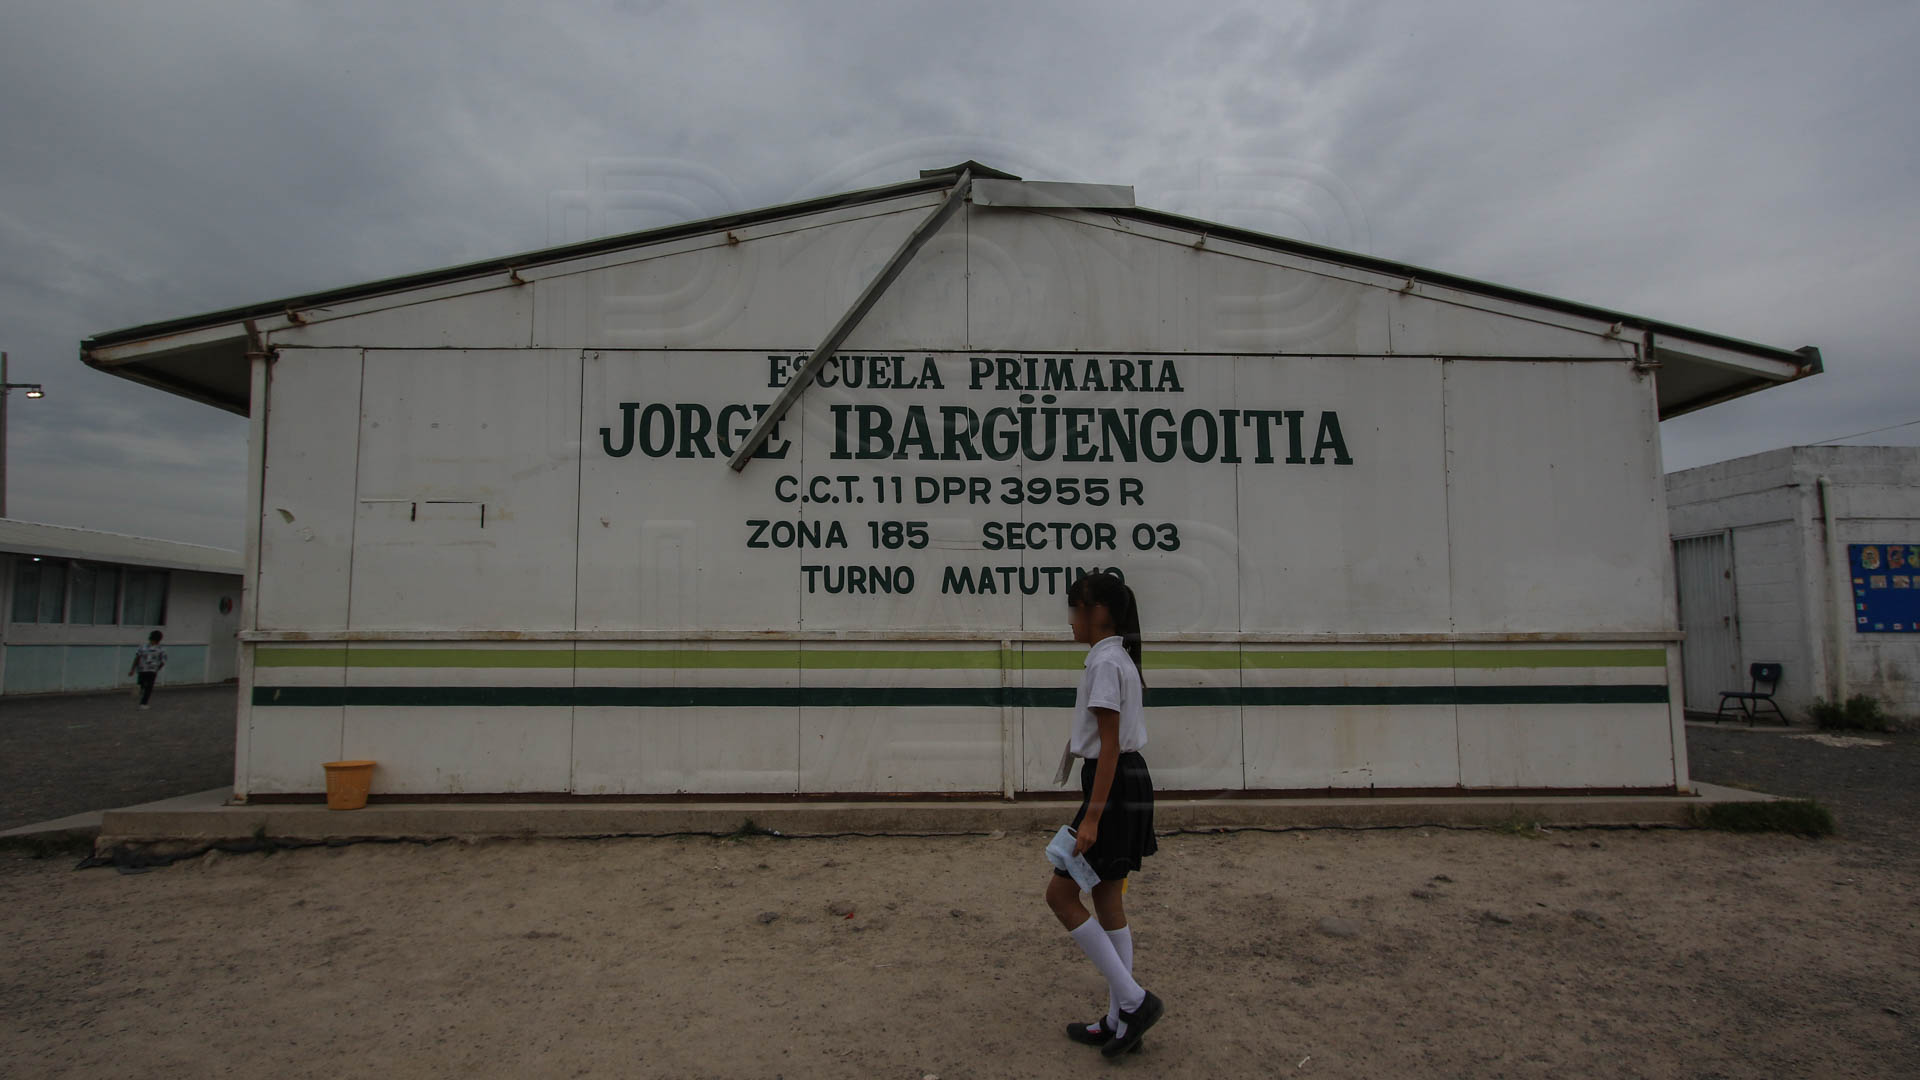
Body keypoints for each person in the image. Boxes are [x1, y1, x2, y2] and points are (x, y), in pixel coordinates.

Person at [1045, 571, 1164, 1057]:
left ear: (1098, 612)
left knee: (1061, 894)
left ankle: (1134, 1003)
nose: (1070, 617)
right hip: (1123, 783)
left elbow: (1109, 746)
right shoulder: (1116, 658)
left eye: (1075, 606)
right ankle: (1120, 1021)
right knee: (1109, 898)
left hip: (1110, 787)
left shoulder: (1106, 662)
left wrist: (1091, 817)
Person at [129, 631, 166, 709]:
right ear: (159, 639)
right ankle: (143, 703)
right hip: (152, 670)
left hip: (142, 669)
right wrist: (157, 669)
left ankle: (139, 689)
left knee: (141, 683)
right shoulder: (161, 649)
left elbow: (137, 658)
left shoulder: (143, 647)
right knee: (149, 687)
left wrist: (132, 669)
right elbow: (163, 661)